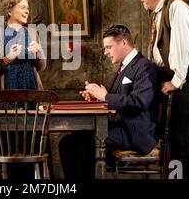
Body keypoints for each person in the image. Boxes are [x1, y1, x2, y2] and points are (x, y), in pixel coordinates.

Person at [59, 25, 158, 179]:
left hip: (134, 131)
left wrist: (105, 96)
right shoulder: (123, 68)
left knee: (87, 147)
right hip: (117, 127)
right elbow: (114, 100)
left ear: (124, 43)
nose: (105, 52)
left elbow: (139, 102)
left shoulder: (144, 67)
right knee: (67, 143)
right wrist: (96, 98)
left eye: (109, 47)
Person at [137, 0, 189, 179]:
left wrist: (176, 81)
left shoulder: (177, 7)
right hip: (177, 75)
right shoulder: (159, 12)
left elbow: (183, 47)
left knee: (188, 140)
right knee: (177, 141)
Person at [0, 0, 46, 92]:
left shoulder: (32, 33)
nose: (27, 11)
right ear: (10, 11)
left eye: (28, 8)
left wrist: (38, 52)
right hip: (6, 91)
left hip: (30, 89)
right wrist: (7, 58)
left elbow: (42, 66)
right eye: (23, 7)